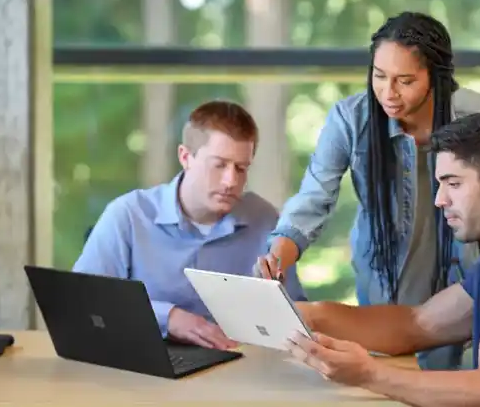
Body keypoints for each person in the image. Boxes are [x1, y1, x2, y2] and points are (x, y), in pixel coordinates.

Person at [287, 112, 480, 406]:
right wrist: (312, 316)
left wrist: (367, 373)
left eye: (453, 183)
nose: (440, 200)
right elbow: (417, 325)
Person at [256, 11, 480, 369]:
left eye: (404, 81)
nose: (388, 93)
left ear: (436, 77)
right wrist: (277, 257)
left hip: (466, 283)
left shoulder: (479, 119)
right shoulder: (350, 119)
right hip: (384, 288)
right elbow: (313, 200)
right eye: (379, 75)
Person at [73, 100, 308, 350]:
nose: (231, 180)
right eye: (219, 165)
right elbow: (83, 301)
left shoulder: (265, 220)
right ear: (186, 157)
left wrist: (276, 304)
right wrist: (168, 318)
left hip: (239, 370)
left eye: (241, 168)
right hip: (144, 365)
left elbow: (299, 316)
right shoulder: (129, 215)